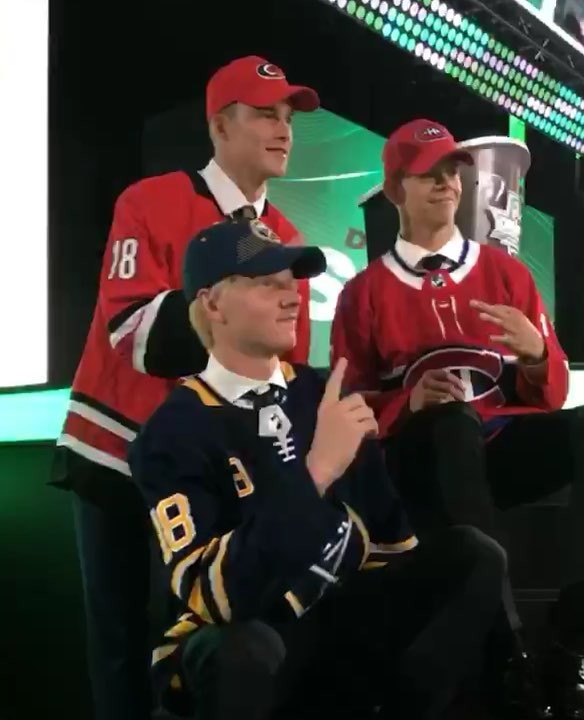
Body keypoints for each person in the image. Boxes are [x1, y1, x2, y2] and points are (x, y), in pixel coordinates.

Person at [128, 216, 508, 720]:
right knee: (242, 648)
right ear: (213, 304)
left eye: (292, 284)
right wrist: (316, 474)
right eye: (268, 284)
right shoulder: (173, 430)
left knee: (471, 556)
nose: (293, 298)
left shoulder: (323, 393)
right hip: (251, 640)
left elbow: (391, 549)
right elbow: (215, 596)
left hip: (338, 628)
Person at [330, 118, 584, 719]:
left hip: (497, 446)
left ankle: (569, 646)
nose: (446, 184)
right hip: (424, 460)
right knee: (451, 423)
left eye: (452, 171)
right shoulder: (363, 292)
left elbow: (552, 395)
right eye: (428, 174)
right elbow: (348, 404)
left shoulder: (506, 274)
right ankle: (504, 649)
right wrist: (406, 404)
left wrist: (539, 353)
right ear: (395, 190)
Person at [51, 56, 320, 720]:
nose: (283, 129)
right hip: (113, 451)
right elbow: (134, 334)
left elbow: (282, 370)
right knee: (120, 642)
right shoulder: (149, 201)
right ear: (219, 126)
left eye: (288, 117)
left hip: (206, 470)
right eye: (265, 114)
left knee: (195, 638)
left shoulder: (288, 239)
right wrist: (231, 314)